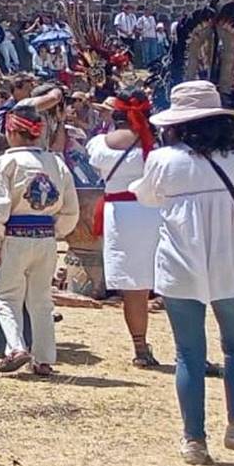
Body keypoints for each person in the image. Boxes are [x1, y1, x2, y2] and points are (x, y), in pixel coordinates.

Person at [131, 81, 234, 464]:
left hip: (181, 266)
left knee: (189, 353)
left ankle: (194, 440)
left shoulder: (165, 160)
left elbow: (147, 196)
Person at [0, 104, 79, 376]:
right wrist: (55, 232)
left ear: (12, 132)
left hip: (15, 235)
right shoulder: (56, 162)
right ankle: (44, 357)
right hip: (46, 236)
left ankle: (15, 347)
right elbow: (70, 207)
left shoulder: (6, 162)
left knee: (6, 297)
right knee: (41, 299)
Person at [85, 90, 161, 368]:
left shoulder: (98, 144)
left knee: (134, 288)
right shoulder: (155, 145)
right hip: (153, 212)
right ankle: (188, 348)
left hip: (119, 216)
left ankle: (140, 347)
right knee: (172, 283)